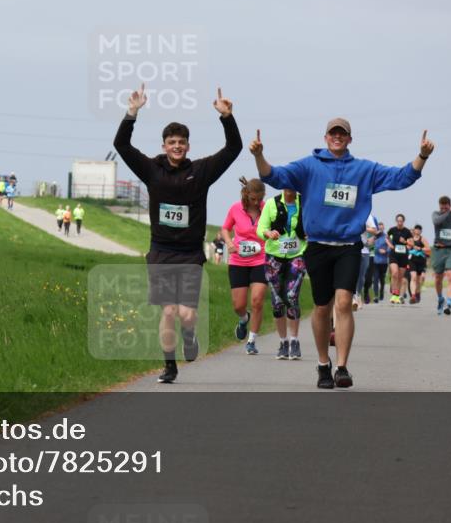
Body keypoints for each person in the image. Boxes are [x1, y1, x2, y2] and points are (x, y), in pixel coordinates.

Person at [251, 119, 434, 389]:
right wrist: (258, 155)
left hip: (349, 246)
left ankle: (342, 367)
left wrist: (422, 156)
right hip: (318, 246)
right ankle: (323, 364)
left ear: (350, 139)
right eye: (333, 133)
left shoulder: (364, 169)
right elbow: (273, 176)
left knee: (344, 303)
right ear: (326, 137)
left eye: (343, 134)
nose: (337, 137)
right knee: (322, 308)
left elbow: (401, 177)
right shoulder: (308, 166)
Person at [114, 83, 242, 384]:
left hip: (189, 254)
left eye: (181, 142)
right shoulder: (151, 171)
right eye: (171, 142)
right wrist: (131, 113)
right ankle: (169, 366)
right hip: (160, 251)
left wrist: (227, 118)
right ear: (163, 146)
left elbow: (233, 149)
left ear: (187, 146)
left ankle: (189, 335)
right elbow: (122, 146)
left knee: (186, 315)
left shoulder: (201, 171)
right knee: (168, 310)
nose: (177, 146)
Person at [257, 188, 307, 360]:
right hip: (274, 257)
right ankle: (283, 342)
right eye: (286, 185)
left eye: (293, 184)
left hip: (297, 255)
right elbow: (261, 228)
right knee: (277, 301)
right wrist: (268, 233)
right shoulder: (272, 203)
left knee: (292, 296)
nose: (289, 189)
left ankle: (294, 340)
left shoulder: (305, 202)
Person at [222, 178, 268, 355]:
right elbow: (225, 228)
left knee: (257, 301)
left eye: (260, 199)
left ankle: (252, 341)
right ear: (247, 195)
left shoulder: (267, 209)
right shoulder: (235, 208)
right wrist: (228, 242)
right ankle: (243, 319)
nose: (257, 203)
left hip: (261, 258)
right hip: (238, 260)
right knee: (238, 305)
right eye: (253, 199)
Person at [354, 212, 379, 310]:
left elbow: (374, 231)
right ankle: (353, 297)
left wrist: (363, 228)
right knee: (352, 274)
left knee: (361, 277)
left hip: (364, 250)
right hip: (350, 249)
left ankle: (358, 294)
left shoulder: (367, 215)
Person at [387, 214, 412, 304]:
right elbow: (386, 237)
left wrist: (405, 242)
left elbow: (410, 244)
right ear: (396, 221)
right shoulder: (392, 230)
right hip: (394, 254)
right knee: (394, 273)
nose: (400, 222)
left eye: (401, 221)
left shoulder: (407, 232)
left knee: (400, 277)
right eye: (398, 221)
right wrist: (390, 245)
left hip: (403, 256)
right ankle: (394, 293)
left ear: (403, 221)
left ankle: (397, 295)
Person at [407, 224, 430, 304]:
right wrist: (410, 246)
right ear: (414, 230)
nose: (417, 231)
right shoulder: (410, 239)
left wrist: (421, 248)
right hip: (412, 260)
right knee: (413, 277)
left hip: (421, 260)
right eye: (416, 229)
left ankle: (418, 292)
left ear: (421, 231)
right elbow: (407, 247)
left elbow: (428, 249)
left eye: (419, 229)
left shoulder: (423, 239)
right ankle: (413, 296)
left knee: (420, 279)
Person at [371, 222, 389, 302]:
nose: (381, 229)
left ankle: (381, 293)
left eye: (382, 228)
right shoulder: (374, 237)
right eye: (379, 228)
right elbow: (371, 247)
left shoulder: (386, 237)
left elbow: (390, 247)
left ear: (383, 228)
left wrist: (385, 251)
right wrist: (378, 250)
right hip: (376, 261)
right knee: (375, 279)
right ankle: (375, 295)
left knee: (382, 279)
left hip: (384, 262)